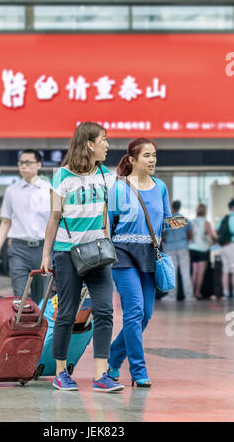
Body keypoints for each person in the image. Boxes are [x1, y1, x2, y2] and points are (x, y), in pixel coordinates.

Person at [40, 122, 125, 393]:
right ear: (89, 144)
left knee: (105, 310)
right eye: (104, 140)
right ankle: (61, 372)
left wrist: (109, 242)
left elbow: (104, 214)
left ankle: (101, 374)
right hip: (67, 254)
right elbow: (54, 218)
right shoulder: (61, 176)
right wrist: (46, 255)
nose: (107, 145)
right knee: (66, 313)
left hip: (98, 253)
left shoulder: (105, 176)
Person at [106, 138, 185, 387]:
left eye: (154, 155)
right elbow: (107, 224)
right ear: (132, 159)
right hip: (123, 252)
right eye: (147, 156)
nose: (152, 160)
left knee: (145, 316)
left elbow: (165, 218)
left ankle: (112, 361)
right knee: (134, 311)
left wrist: (176, 222)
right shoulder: (118, 189)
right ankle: (138, 371)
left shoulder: (160, 186)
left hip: (150, 252)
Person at [0, 149, 51, 304]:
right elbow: (6, 221)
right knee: (19, 298)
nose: (24, 166)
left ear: (39, 165)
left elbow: (55, 220)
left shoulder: (49, 190)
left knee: (41, 299)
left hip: (43, 249)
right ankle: (21, 327)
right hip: (18, 249)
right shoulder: (11, 191)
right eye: (21, 162)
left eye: (28, 162)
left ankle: (39, 328)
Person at [162, 200, 193, 300]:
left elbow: (162, 235)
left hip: (170, 248)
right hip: (183, 246)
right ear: (179, 207)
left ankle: (172, 296)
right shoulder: (184, 219)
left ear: (172, 207)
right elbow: (190, 234)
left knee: (172, 272)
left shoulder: (167, 220)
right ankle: (189, 296)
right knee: (185, 272)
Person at [188, 204, 216, 299]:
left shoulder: (192, 222)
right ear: (205, 211)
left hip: (191, 248)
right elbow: (212, 236)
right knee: (200, 272)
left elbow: (189, 236)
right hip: (202, 249)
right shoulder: (206, 222)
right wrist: (210, 244)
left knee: (194, 271)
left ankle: (190, 293)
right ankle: (197, 292)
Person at [215, 198, 234, 299]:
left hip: (223, 246)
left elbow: (216, 230)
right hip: (232, 245)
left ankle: (226, 293)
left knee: (225, 270)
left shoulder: (224, 218)